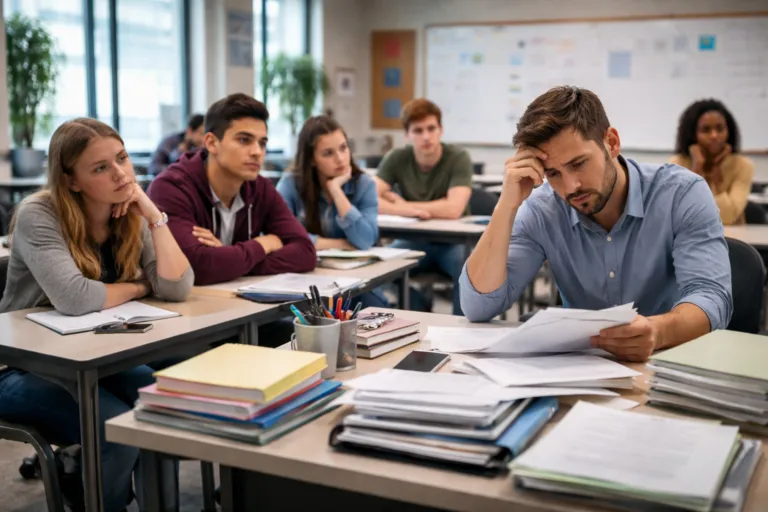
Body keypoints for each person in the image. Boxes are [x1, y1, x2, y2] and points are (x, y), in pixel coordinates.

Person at [0, 118, 193, 511]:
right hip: (24, 367)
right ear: (71, 180)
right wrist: (141, 285)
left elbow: (177, 286)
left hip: (99, 361)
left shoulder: (129, 211)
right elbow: (75, 297)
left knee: (163, 409)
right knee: (115, 429)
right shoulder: (40, 214)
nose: (121, 174)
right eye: (101, 167)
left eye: (121, 158)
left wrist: (153, 213)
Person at [461, 86, 732, 362]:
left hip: (669, 364)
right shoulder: (542, 208)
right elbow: (478, 306)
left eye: (578, 164)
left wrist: (657, 331)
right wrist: (506, 206)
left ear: (611, 143)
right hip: (582, 370)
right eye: (553, 173)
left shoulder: (681, 194)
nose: (570, 187)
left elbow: (710, 298)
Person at [147, 93, 316, 285]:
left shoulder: (260, 187)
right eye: (244, 140)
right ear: (211, 143)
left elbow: (305, 253)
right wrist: (262, 244)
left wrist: (228, 257)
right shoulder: (171, 188)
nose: (257, 152)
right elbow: (195, 267)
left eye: (262, 143)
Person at [277, 115, 389, 308]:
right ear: (311, 159)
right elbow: (279, 236)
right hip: (304, 279)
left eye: (343, 148)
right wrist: (340, 244)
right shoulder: (291, 184)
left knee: (375, 310)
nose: (340, 158)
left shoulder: (364, 184)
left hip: (356, 281)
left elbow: (364, 240)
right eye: (328, 153)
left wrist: (337, 192)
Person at [374, 98, 473, 315]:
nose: (426, 136)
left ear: (441, 130)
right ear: (407, 134)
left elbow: (453, 209)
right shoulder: (397, 157)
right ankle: (418, 304)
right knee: (376, 266)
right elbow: (369, 199)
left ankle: (462, 329)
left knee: (469, 272)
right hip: (414, 240)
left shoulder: (458, 157)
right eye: (418, 130)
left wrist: (403, 204)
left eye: (431, 128)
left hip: (453, 243)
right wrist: (408, 211)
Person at [670, 99, 754, 225]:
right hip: (689, 237)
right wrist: (696, 172)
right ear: (692, 134)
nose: (714, 135)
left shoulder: (742, 165)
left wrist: (717, 181)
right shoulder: (678, 163)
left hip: (731, 238)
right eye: (706, 130)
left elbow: (727, 217)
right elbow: (678, 214)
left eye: (720, 129)